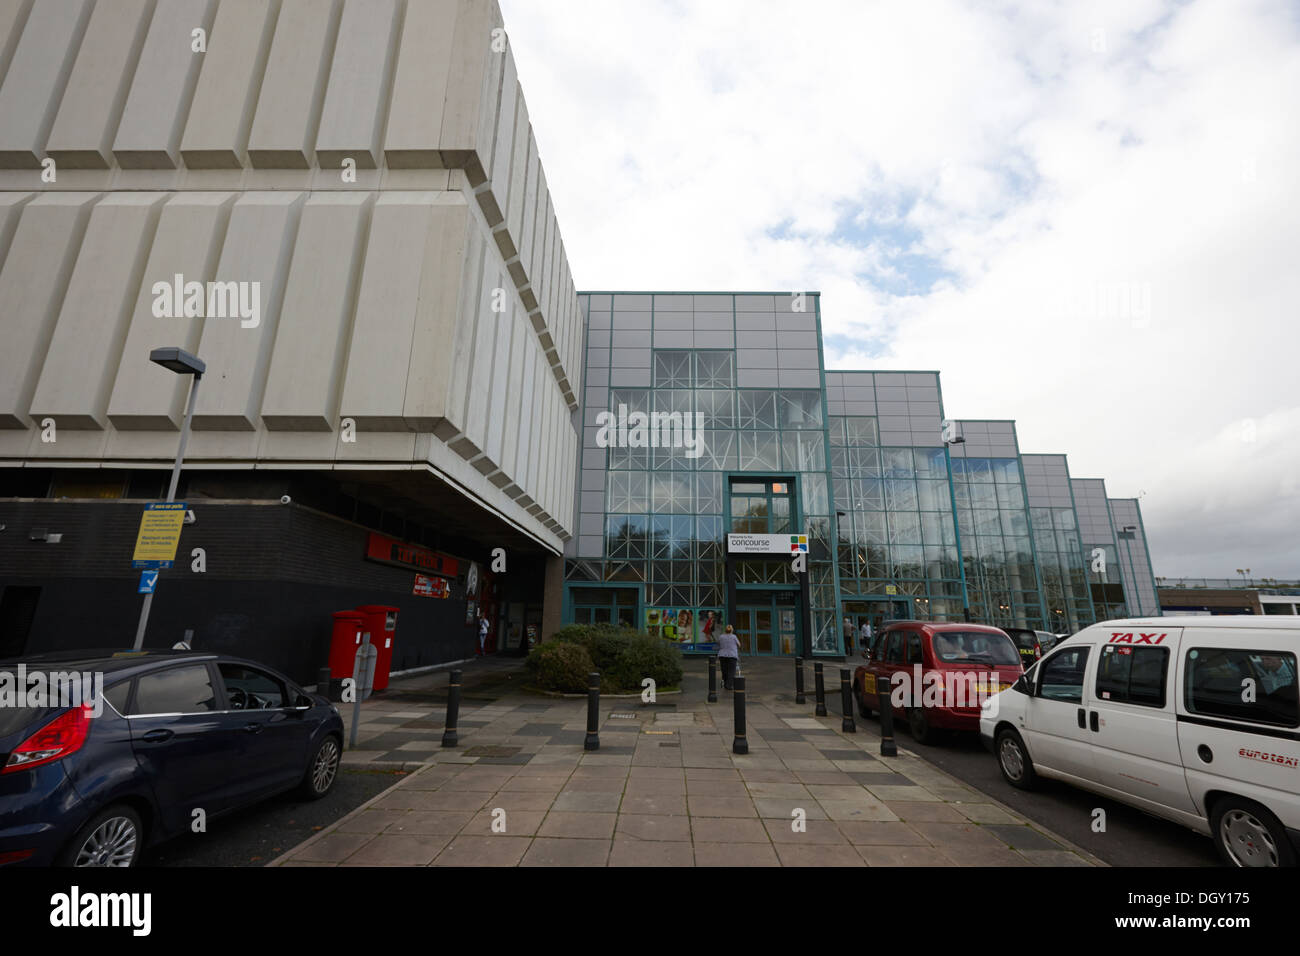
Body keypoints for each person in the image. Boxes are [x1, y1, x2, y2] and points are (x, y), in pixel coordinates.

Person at [717, 624, 741, 690]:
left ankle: (725, 683)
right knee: (731, 671)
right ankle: (729, 685)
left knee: (724, 670)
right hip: (732, 655)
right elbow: (739, 645)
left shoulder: (721, 636)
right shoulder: (734, 637)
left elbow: (718, 643)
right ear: (732, 630)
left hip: (722, 655)